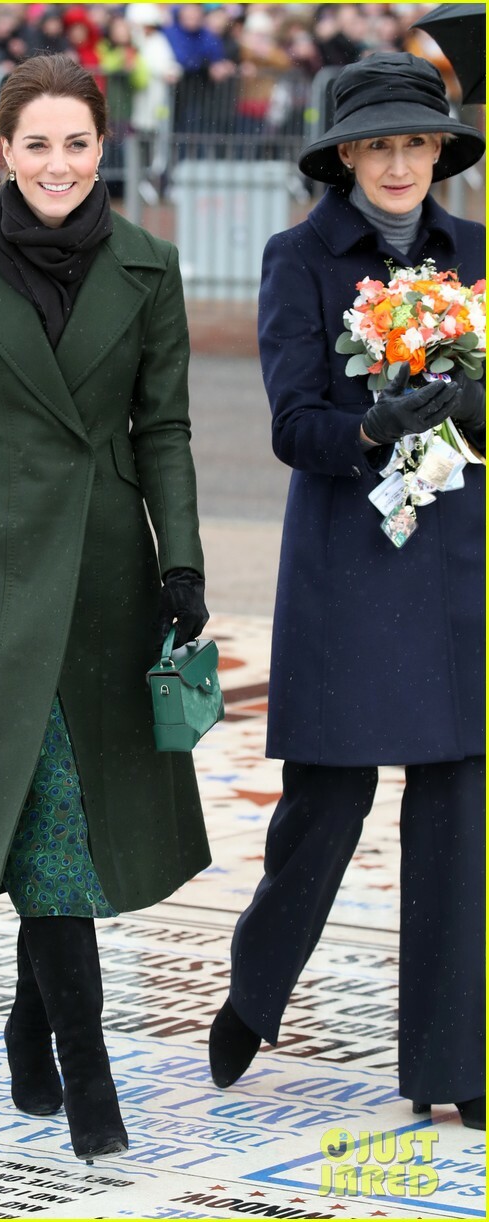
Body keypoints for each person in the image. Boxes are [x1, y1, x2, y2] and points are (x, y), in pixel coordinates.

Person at [0, 52, 211, 1162]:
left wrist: (183, 565)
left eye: (77, 143)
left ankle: (31, 1027)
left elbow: (163, 428)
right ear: (3, 151)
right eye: (37, 144)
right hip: (0, 573)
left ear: (102, 146)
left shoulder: (149, 266)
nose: (58, 163)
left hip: (113, 571)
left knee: (70, 821)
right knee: (44, 810)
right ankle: (91, 1086)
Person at [208, 53, 486, 1131]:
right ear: (344, 157)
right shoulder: (298, 259)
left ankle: (457, 1062)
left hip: (456, 567)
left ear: (438, 151)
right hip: (346, 563)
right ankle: (256, 986)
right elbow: (293, 427)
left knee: (457, 815)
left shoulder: (476, 254)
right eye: (378, 145)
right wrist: (375, 424)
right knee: (327, 806)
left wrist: (469, 403)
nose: (399, 163)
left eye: (415, 143)